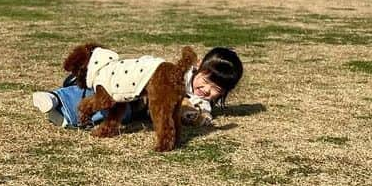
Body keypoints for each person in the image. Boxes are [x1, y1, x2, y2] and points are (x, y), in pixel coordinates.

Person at [32, 45, 243, 130]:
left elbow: (201, 112)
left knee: (117, 114)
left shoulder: (201, 101)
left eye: (215, 89)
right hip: (132, 87)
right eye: (205, 81)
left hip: (135, 108)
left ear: (223, 93)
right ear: (198, 68)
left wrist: (199, 117)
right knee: (101, 95)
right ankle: (55, 98)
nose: (205, 90)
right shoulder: (180, 74)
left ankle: (68, 118)